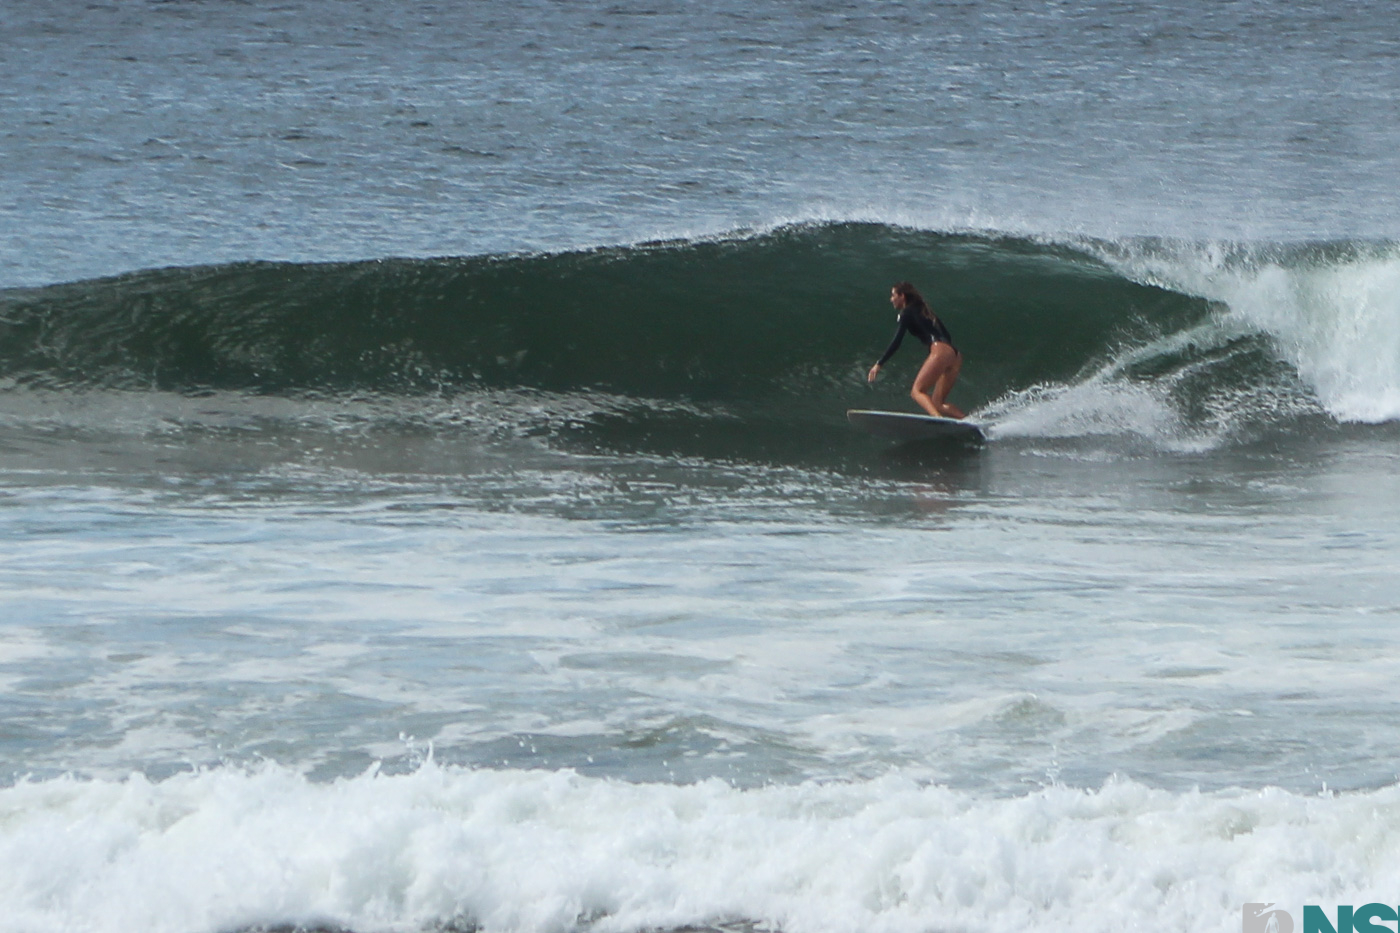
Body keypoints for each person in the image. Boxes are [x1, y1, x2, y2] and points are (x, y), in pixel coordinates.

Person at [866, 281, 966, 419]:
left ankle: (938, 420)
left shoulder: (906, 313)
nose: (891, 299)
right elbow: (946, 335)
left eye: (893, 295)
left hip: (940, 351)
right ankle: (969, 422)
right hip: (955, 355)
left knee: (917, 391)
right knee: (938, 403)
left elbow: (897, 341)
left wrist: (879, 364)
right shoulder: (925, 310)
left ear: (902, 296)